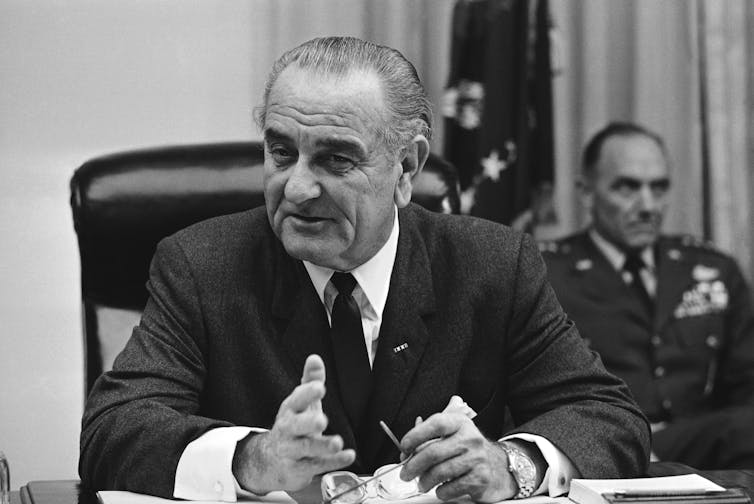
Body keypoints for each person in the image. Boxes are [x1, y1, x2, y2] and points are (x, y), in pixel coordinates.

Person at [79, 38, 649, 502]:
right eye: (281, 153)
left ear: (407, 168)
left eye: (335, 159)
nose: (297, 187)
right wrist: (254, 459)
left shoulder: (493, 264)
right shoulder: (202, 265)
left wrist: (510, 464)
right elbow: (113, 431)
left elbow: (607, 417)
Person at [542, 121, 754, 469]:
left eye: (659, 188)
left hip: (707, 449)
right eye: (627, 188)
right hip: (601, 450)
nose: (648, 205)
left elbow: (747, 383)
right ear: (587, 192)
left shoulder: (712, 269)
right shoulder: (548, 273)